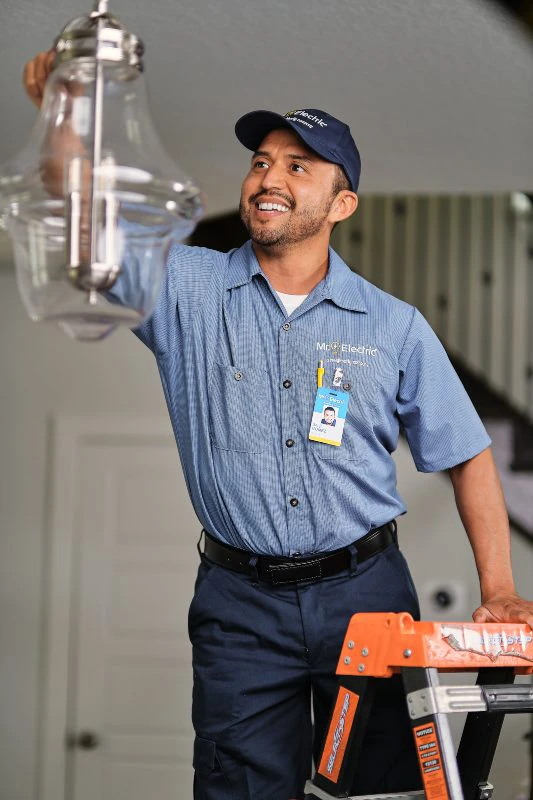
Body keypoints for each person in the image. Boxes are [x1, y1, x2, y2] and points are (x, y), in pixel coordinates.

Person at [24, 52, 533, 800]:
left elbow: (465, 454)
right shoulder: (184, 287)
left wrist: (498, 586)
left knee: (380, 788)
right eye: (261, 162)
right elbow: (88, 222)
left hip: (367, 595)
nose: (268, 178)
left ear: (341, 204)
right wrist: (64, 115)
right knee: (239, 787)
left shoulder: (393, 327)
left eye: (299, 168)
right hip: (239, 603)